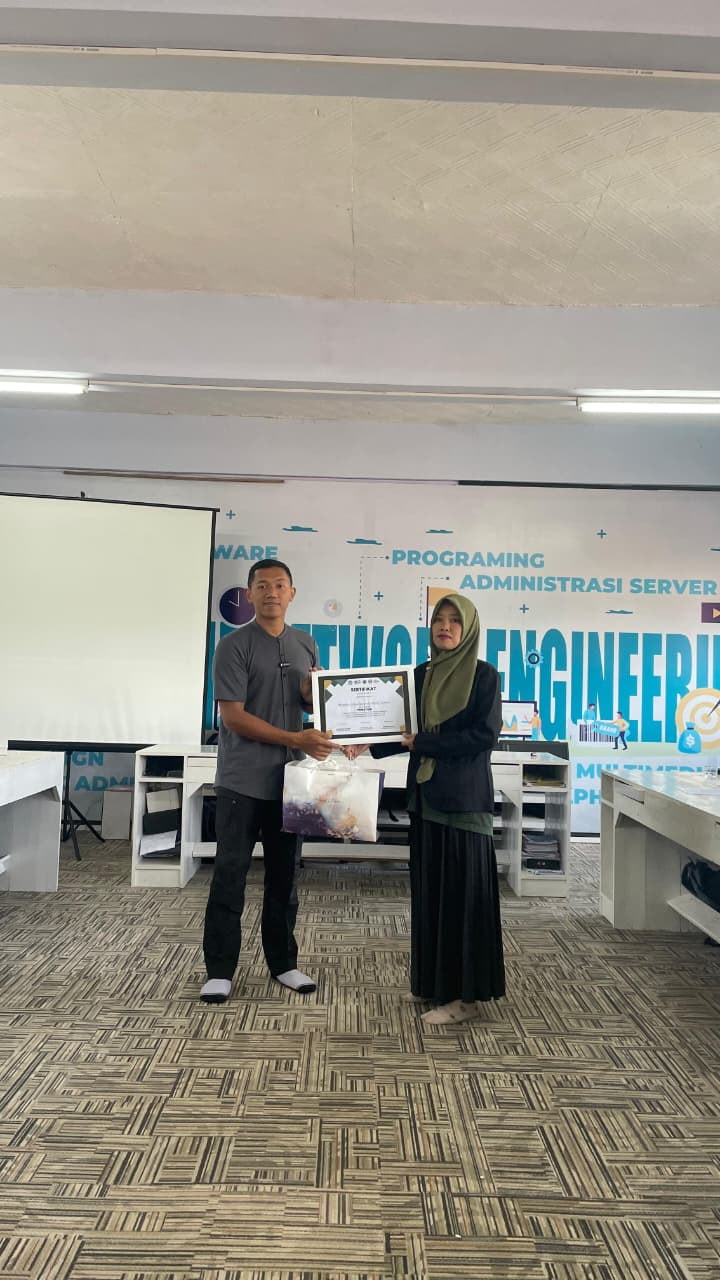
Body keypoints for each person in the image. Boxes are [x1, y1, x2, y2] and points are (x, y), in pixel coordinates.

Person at [366, 593, 505, 1025]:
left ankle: (464, 998)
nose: (445, 626)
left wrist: (423, 742)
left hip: (463, 804)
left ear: (469, 629)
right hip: (425, 800)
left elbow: (483, 736)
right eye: (438, 620)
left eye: (454, 620)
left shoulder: (483, 676)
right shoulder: (421, 674)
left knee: (462, 900)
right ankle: (431, 983)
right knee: (430, 896)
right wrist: (359, 741)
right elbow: (401, 729)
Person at [200, 559, 333, 1005]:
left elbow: (311, 704)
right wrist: (295, 738)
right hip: (241, 781)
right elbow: (233, 717)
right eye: (262, 586)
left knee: (284, 877)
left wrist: (318, 703)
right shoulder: (232, 646)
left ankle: (283, 963)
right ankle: (220, 970)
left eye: (279, 585)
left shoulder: (306, 643)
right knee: (230, 875)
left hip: (290, 782)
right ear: (249, 595)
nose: (271, 592)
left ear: (292, 593)